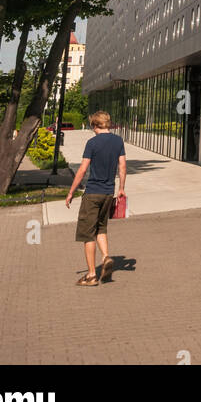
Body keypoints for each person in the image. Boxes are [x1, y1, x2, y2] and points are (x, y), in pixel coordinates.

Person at [65, 110, 126, 286]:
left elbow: (83, 169)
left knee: (87, 234)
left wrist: (71, 192)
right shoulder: (118, 141)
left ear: (94, 125)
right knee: (101, 228)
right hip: (108, 193)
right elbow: (122, 166)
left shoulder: (92, 143)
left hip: (92, 193)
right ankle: (106, 257)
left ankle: (91, 275)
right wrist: (121, 188)